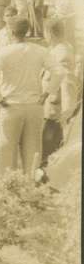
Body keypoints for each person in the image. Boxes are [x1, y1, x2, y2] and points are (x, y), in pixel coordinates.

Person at [0, 17, 61, 176]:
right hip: (34, 105)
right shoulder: (40, 50)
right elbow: (59, 72)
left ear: (11, 32)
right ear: (27, 31)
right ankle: (29, 189)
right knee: (32, 152)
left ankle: (7, 191)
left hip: (11, 106)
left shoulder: (2, 52)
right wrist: (46, 93)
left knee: (5, 152)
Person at [42, 19, 76, 165]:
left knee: (51, 147)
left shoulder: (62, 53)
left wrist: (67, 113)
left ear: (50, 33)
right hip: (52, 108)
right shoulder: (58, 49)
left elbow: (67, 82)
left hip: (56, 111)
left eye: (45, 32)